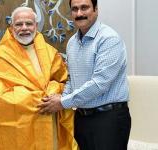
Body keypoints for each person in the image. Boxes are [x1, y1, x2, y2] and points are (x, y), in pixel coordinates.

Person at [38, 0, 131, 149]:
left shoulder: (109, 39)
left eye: (84, 8)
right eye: (75, 9)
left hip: (109, 120)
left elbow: (99, 84)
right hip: (81, 118)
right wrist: (59, 99)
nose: (79, 13)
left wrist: (62, 102)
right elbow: (71, 79)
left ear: (95, 9)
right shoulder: (72, 43)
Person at [0, 7, 78, 150]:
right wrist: (42, 98)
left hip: (49, 124)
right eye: (19, 24)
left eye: (29, 23)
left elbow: (64, 82)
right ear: (11, 27)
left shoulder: (50, 52)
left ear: (35, 26)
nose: (24, 28)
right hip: (18, 129)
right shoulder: (1, 56)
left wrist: (54, 92)